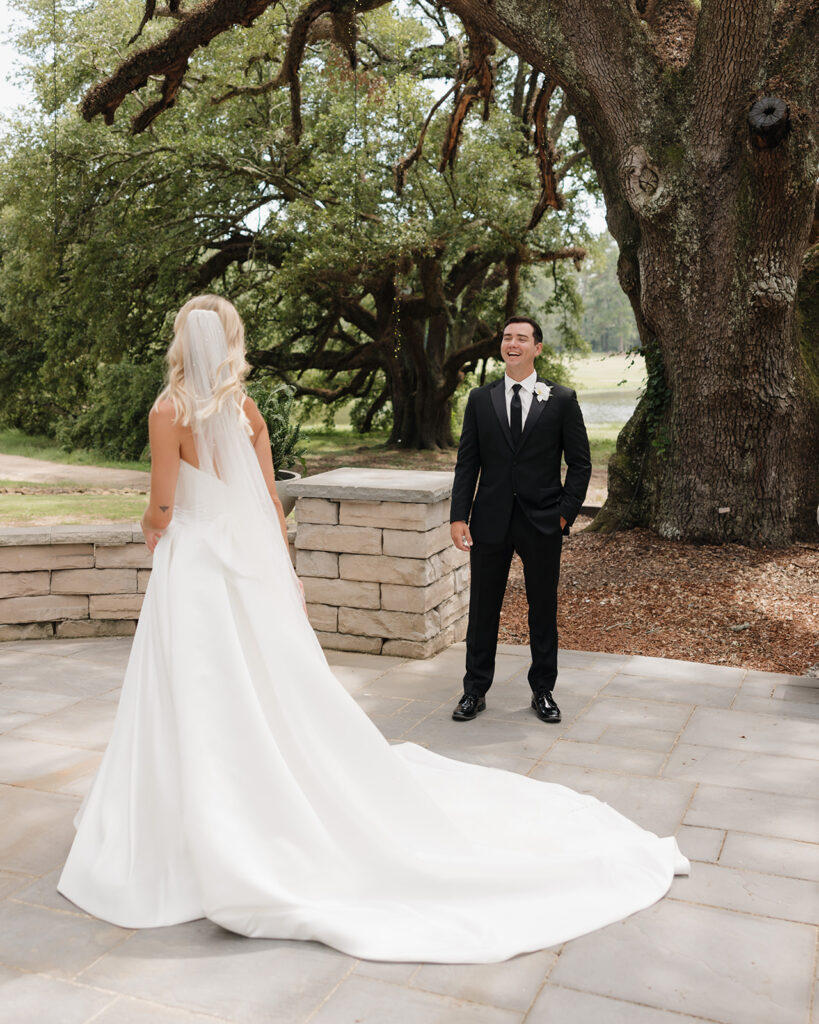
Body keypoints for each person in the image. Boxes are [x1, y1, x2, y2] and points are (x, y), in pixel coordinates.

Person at [58, 296, 687, 963]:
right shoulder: (245, 411)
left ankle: (186, 819)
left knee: (193, 685)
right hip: (247, 565)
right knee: (265, 684)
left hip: (193, 568)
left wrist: (153, 531)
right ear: (232, 343)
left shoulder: (169, 410)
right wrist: (285, 572)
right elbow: (271, 502)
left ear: (182, 340)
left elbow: (160, 502)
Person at [450, 316, 591, 724]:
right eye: (508, 337)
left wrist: (565, 514)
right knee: (483, 608)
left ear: (537, 348)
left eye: (522, 338)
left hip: (543, 521)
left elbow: (580, 464)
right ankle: (474, 690)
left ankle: (543, 690)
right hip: (490, 520)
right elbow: (467, 463)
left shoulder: (561, 400)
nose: (513, 343)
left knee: (542, 607)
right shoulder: (480, 399)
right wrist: (459, 515)